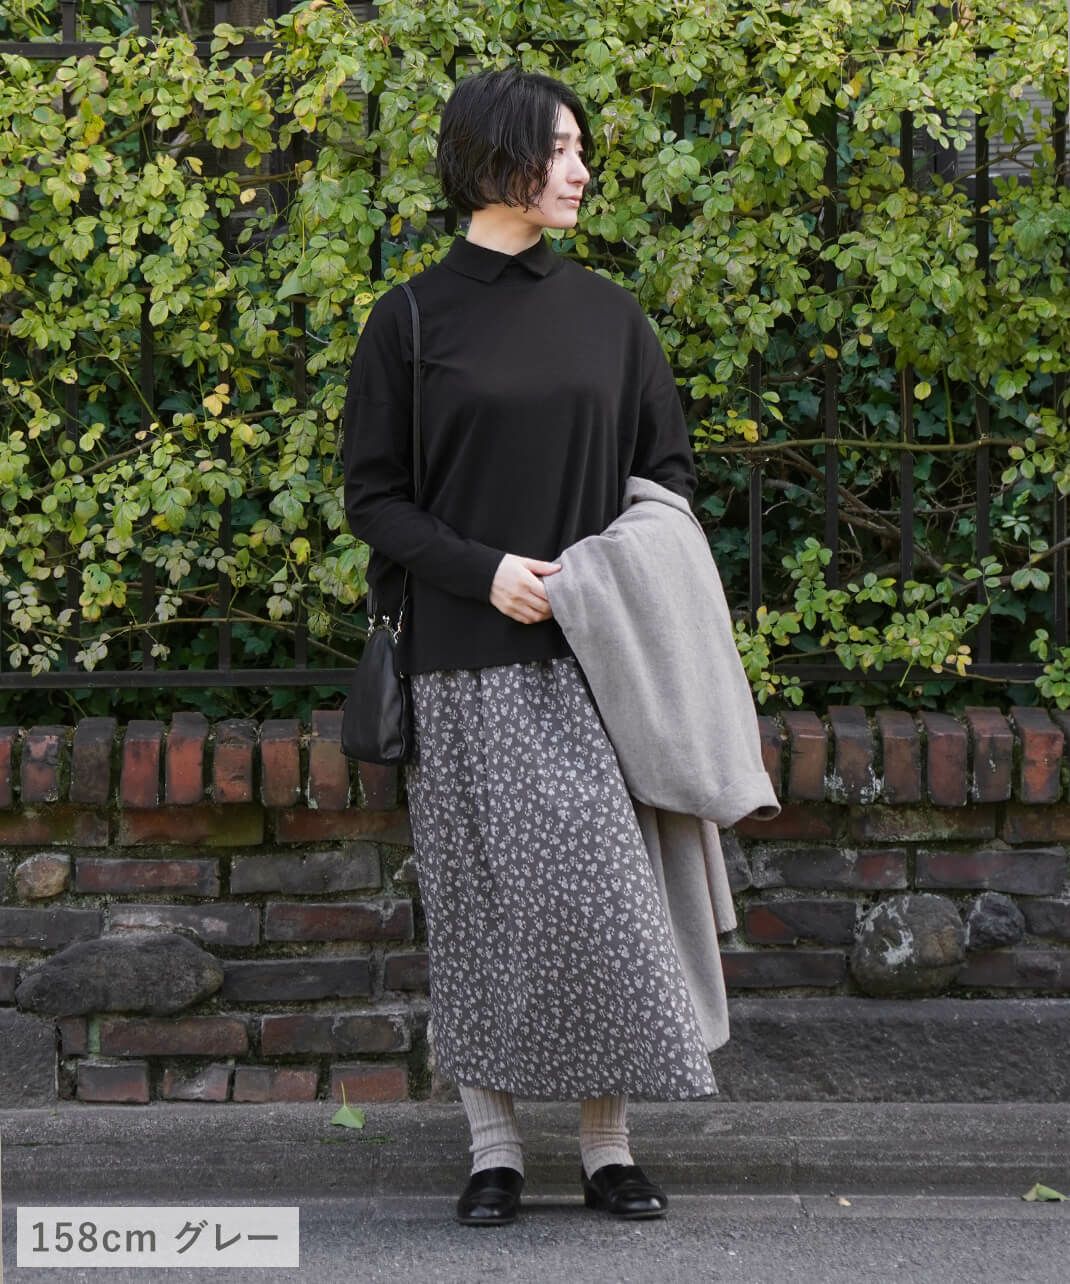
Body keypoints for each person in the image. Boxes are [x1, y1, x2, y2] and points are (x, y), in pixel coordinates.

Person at [342, 65, 717, 1227]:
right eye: (559, 148)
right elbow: (373, 499)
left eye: (578, 148)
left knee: (606, 912)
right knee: (483, 911)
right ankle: (492, 1148)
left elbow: (666, 478)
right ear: (495, 158)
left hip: (602, 661)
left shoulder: (610, 317)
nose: (580, 170)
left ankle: (606, 1147)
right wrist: (485, 572)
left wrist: (594, 577)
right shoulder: (409, 319)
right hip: (462, 662)